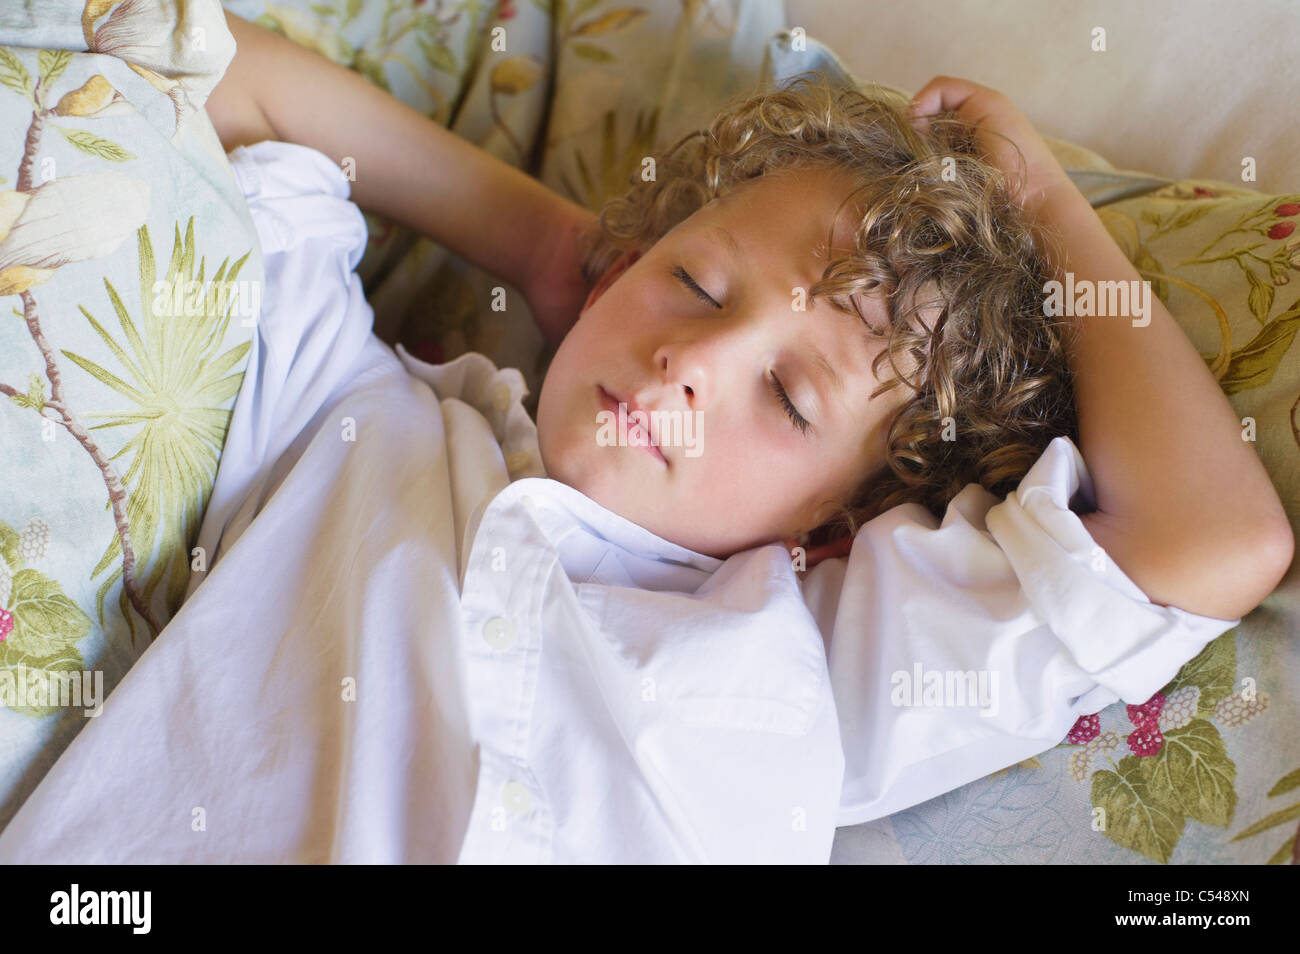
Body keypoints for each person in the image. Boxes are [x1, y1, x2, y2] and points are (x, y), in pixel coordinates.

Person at [0, 10, 1289, 864]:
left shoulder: (819, 659)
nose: (692, 361)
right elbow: (202, 67)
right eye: (694, 282)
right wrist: (550, 247)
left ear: (838, 517)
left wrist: (1041, 193)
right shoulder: (357, 416)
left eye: (791, 402)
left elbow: (1209, 541)